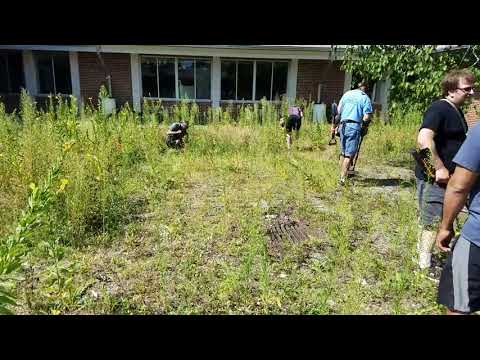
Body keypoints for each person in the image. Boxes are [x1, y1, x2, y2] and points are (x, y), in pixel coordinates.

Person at [415, 69, 475, 270]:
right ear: (450, 90)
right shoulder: (439, 108)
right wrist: (437, 168)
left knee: (443, 218)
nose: (471, 92)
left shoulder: (455, 110)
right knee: (431, 219)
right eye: (466, 89)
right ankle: (423, 265)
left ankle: (434, 258)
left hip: (449, 177)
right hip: (435, 178)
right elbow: (423, 139)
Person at [436, 121, 480, 315]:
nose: (471, 93)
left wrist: (445, 226)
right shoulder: (440, 110)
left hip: (477, 240)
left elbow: (459, 186)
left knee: (459, 305)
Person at [335, 81, 373, 185]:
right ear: (365, 89)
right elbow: (367, 116)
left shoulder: (347, 94)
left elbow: (338, 111)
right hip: (354, 126)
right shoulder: (365, 97)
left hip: (343, 125)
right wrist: (365, 126)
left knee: (343, 152)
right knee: (349, 154)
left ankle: (343, 174)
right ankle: (342, 179)